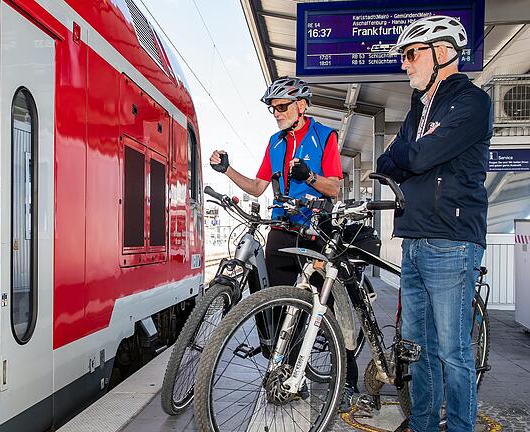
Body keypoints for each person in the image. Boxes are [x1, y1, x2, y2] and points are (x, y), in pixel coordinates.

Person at [209, 76, 360, 411]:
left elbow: (334, 188)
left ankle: (348, 380)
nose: (276, 113)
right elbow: (257, 187)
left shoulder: (324, 137)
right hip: (281, 227)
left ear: (301, 105)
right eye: (272, 108)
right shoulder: (274, 142)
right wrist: (226, 169)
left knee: (329, 307)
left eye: (282, 106)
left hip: (315, 229)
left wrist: (308, 177)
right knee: (279, 306)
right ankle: (291, 375)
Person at [376, 15, 492, 432]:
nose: (404, 64)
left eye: (411, 54)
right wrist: (411, 151)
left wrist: (410, 152)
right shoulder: (418, 109)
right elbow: (384, 162)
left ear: (441, 54)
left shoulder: (472, 103)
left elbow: (417, 158)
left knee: (453, 351)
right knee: (416, 348)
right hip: (413, 236)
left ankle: (460, 427)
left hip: (451, 240)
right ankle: (424, 423)